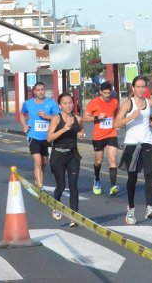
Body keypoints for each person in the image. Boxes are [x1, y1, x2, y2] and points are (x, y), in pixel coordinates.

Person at [116, 76, 152, 225]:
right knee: (132, 177)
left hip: (147, 141)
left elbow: (147, 116)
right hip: (132, 143)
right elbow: (116, 123)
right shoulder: (128, 103)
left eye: (143, 87)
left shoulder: (149, 102)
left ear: (146, 88)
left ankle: (149, 207)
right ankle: (131, 208)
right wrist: (132, 117)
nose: (140, 89)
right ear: (133, 88)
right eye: (138, 87)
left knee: (148, 173)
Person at [47, 92, 85, 227]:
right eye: (65, 103)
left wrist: (81, 134)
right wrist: (63, 129)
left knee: (73, 184)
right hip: (58, 155)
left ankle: (74, 216)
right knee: (61, 185)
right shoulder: (56, 119)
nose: (68, 106)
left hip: (72, 154)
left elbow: (81, 130)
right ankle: (56, 205)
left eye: (70, 103)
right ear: (60, 106)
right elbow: (49, 138)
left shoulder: (77, 119)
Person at [82, 81, 121, 196]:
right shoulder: (94, 102)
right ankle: (97, 179)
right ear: (100, 92)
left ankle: (113, 186)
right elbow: (85, 117)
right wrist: (97, 117)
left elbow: (117, 113)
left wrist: (118, 122)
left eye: (109, 93)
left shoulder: (115, 102)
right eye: (105, 93)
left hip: (111, 134)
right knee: (98, 161)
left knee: (112, 159)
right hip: (98, 136)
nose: (107, 95)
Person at [19, 82, 60, 188]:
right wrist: (24, 125)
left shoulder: (51, 103)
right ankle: (40, 186)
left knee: (44, 162)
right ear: (34, 91)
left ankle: (38, 181)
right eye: (38, 90)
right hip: (33, 136)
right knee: (38, 162)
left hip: (47, 137)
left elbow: (59, 117)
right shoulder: (28, 103)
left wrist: (47, 116)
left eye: (42, 89)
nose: (41, 92)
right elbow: (22, 114)